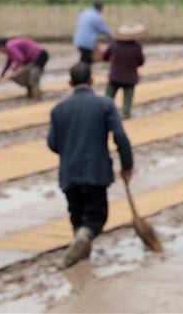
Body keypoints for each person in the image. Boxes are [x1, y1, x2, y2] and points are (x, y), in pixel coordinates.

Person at [48, 63, 134, 268]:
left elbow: (53, 144)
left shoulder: (58, 109)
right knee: (96, 217)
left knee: (77, 216)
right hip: (95, 171)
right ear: (92, 81)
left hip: (69, 172)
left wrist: (70, 150)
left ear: (70, 83)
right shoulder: (105, 104)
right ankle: (84, 240)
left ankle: (81, 258)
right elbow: (120, 137)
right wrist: (126, 165)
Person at [102, 23, 146, 119]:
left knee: (108, 98)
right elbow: (141, 62)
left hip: (114, 76)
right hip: (130, 78)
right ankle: (126, 115)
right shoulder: (136, 47)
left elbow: (105, 56)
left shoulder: (114, 44)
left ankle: (104, 113)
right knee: (127, 101)